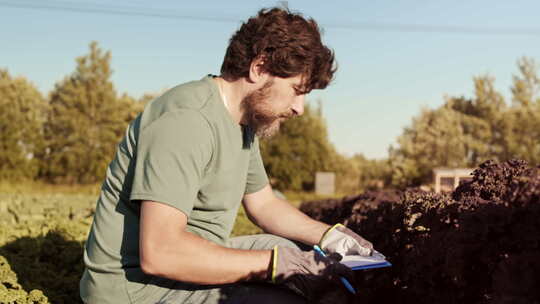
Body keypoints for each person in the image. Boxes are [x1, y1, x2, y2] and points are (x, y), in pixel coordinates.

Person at [80, 7, 374, 304]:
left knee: (292, 254)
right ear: (259, 68)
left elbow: (265, 205)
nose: (299, 107)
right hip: (138, 289)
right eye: (296, 90)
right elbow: (161, 254)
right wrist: (273, 265)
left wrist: (332, 236)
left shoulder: (243, 123)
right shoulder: (188, 121)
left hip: (185, 260)